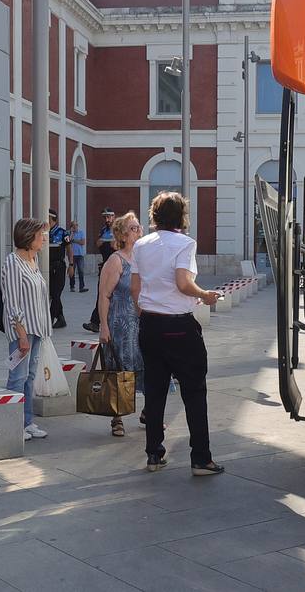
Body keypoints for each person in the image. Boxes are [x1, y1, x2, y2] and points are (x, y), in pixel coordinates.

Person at [132, 192, 224, 476]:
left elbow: (135, 287)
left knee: (155, 392)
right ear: (182, 216)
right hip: (179, 327)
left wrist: (147, 311)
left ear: (154, 215)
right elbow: (183, 283)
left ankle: (154, 455)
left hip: (149, 324)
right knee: (194, 392)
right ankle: (201, 458)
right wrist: (205, 295)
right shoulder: (185, 243)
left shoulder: (140, 244)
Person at [1, 217, 53, 442]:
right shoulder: (12, 262)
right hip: (23, 330)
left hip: (38, 328)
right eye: (40, 235)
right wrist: (22, 335)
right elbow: (12, 302)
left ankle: (27, 421)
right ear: (29, 237)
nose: (43, 239)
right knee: (18, 377)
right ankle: (13, 424)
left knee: (30, 376)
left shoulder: (34, 259)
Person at [97, 211, 143, 437]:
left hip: (142, 323)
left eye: (139, 227)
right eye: (134, 228)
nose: (139, 231)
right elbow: (104, 295)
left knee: (145, 368)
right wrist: (103, 327)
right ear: (123, 235)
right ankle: (117, 418)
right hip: (121, 323)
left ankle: (148, 412)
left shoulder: (143, 257)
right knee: (120, 370)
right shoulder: (115, 261)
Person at [84, 209, 117, 332]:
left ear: (114, 216)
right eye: (105, 217)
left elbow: (117, 245)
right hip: (105, 265)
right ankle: (95, 322)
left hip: (116, 265)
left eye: (109, 217)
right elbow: (97, 243)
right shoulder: (103, 230)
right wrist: (104, 240)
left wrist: (109, 242)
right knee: (101, 293)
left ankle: (102, 321)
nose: (107, 220)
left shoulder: (118, 229)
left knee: (113, 295)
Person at [46, 209, 69, 328]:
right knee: (53, 293)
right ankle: (60, 318)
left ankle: (50, 317)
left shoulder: (63, 233)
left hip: (59, 266)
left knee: (56, 293)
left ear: (51, 219)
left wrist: (71, 265)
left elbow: (69, 249)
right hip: (47, 266)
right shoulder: (44, 232)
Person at [68, 220, 88, 294]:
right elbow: (69, 241)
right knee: (72, 271)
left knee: (81, 271)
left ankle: (81, 287)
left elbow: (82, 242)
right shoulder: (70, 233)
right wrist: (72, 234)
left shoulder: (81, 233)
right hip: (72, 255)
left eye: (76, 225)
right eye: (73, 225)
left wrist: (74, 240)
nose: (75, 227)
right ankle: (72, 286)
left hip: (80, 255)